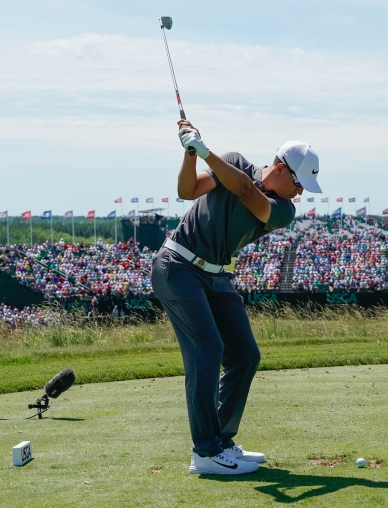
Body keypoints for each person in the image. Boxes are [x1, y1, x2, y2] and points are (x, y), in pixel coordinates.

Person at [151, 119, 321, 475]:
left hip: (216, 276)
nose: (301, 193)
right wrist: (190, 153)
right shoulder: (233, 162)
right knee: (208, 350)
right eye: (299, 182)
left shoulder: (284, 210)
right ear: (279, 169)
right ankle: (206, 451)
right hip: (178, 267)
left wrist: (205, 151)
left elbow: (246, 193)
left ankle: (223, 440)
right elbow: (187, 190)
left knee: (245, 354)